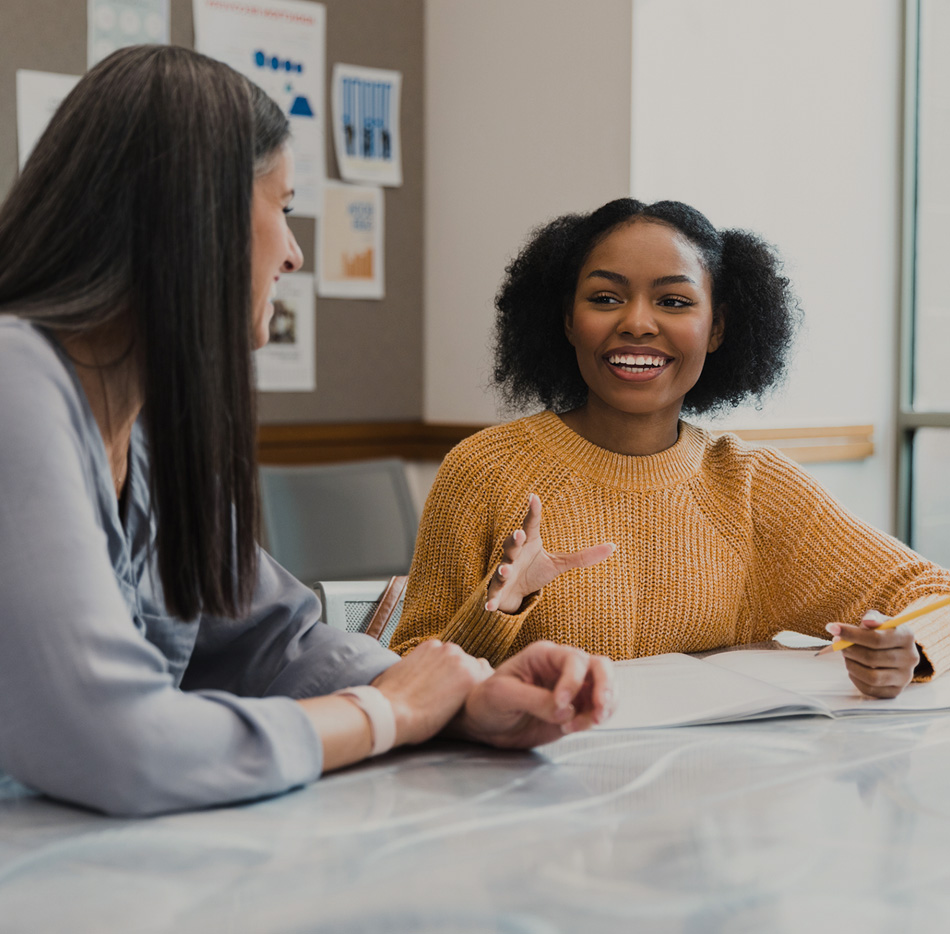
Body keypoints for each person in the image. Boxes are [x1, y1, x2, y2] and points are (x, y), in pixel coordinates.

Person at [0, 46, 614, 818]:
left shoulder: (148, 429)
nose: (293, 253)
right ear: (200, 217)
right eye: (284, 209)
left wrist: (463, 697)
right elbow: (115, 744)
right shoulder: (13, 381)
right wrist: (387, 715)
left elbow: (270, 639)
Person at [390, 198, 950, 699]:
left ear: (717, 328)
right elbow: (404, 672)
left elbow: (936, 595)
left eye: (675, 301)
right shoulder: (484, 470)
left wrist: (906, 648)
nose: (637, 323)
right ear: (566, 320)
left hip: (712, 798)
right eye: (606, 297)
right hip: (537, 794)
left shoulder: (750, 485)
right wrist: (502, 607)